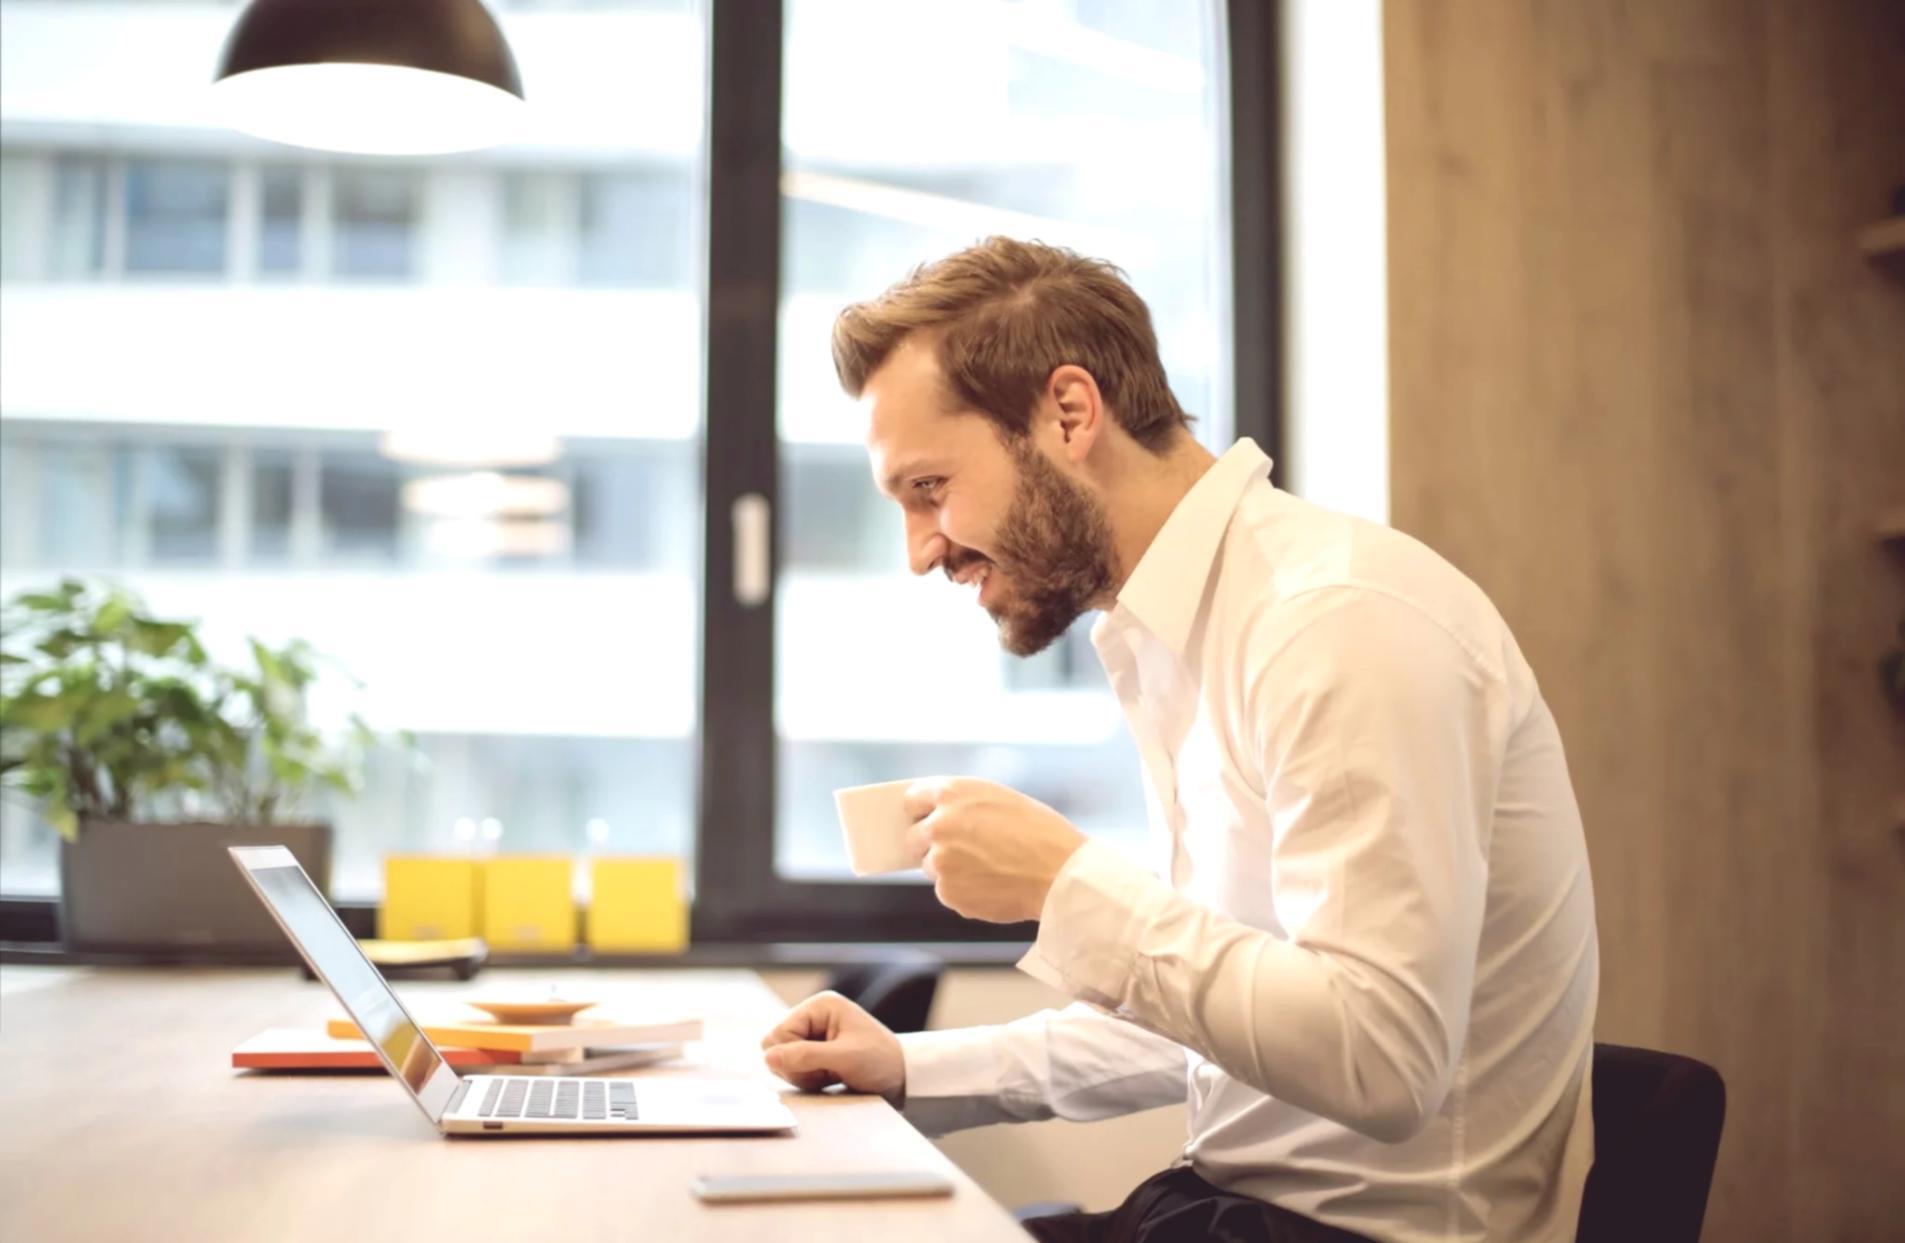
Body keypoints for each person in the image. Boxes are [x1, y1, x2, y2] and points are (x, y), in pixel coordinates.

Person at [761, 237, 1599, 1243]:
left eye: (930, 487)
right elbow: (1225, 1024)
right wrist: (911, 1067)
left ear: (1069, 414)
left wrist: (1067, 885)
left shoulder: (1335, 621)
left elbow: (1381, 1058)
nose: (919, 550)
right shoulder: (1170, 633)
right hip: (1228, 1212)